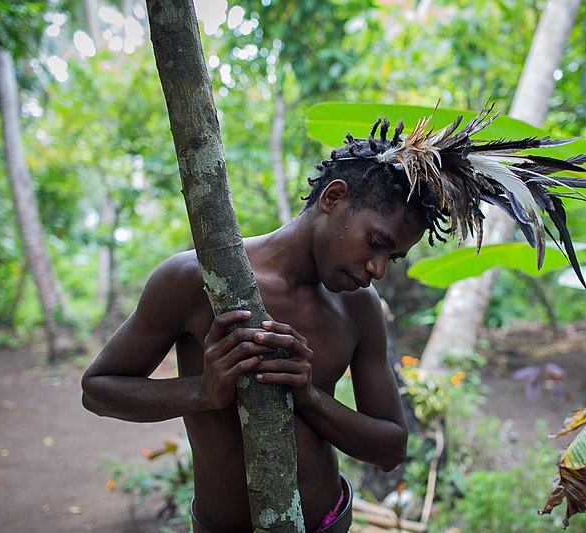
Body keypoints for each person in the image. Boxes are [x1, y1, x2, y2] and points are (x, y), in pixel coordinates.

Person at [81, 119, 447, 532]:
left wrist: (309, 397)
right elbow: (97, 390)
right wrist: (201, 393)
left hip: (329, 523)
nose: (378, 269)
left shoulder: (360, 307)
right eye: (376, 243)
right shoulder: (194, 279)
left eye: (392, 257)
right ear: (334, 197)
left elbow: (391, 446)